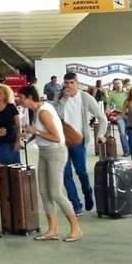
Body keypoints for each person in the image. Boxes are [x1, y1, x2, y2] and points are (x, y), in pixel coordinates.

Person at [17, 85, 83, 241]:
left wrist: (36, 132)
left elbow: (56, 137)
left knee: (56, 192)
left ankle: (76, 228)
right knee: (44, 191)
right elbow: (41, 133)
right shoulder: (36, 110)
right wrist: (29, 136)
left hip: (56, 152)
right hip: (44, 151)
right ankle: (52, 229)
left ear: (29, 97)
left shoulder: (43, 112)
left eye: (21, 97)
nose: (19, 100)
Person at [55, 72, 105, 215]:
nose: (68, 86)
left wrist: (100, 134)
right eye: (66, 83)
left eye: (71, 82)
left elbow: (102, 118)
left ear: (77, 83)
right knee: (66, 174)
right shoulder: (59, 97)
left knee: (81, 171)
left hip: (79, 140)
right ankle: (75, 204)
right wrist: (64, 99)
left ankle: (87, 192)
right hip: (62, 141)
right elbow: (54, 115)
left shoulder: (85, 98)